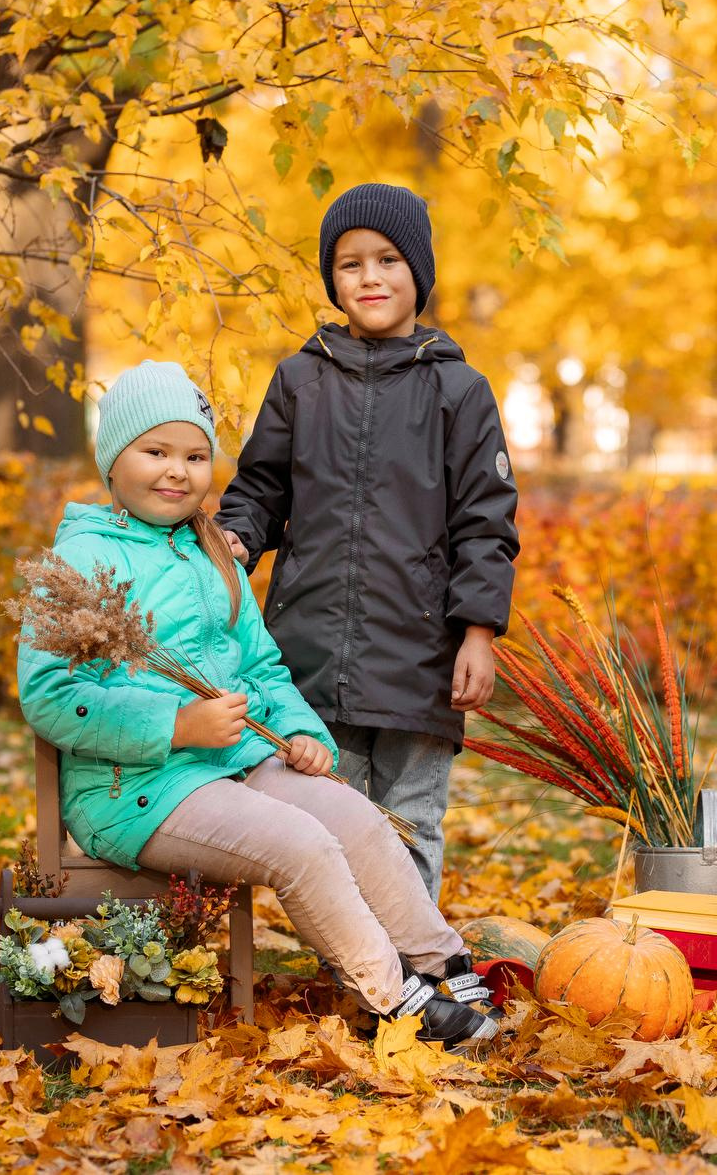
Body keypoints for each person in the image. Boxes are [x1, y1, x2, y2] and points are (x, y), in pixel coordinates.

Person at [17, 361, 501, 1048]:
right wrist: (178, 725)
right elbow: (51, 695)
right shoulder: (83, 561)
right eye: (155, 451)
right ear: (112, 459)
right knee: (302, 844)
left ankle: (442, 961)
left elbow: (261, 665)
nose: (176, 471)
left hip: (238, 763)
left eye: (194, 455)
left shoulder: (211, 551)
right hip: (136, 790)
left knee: (355, 817)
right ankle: (396, 1000)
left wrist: (301, 733)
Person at [217, 183, 519, 901]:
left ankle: (412, 969)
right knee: (331, 818)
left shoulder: (459, 390)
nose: (370, 277)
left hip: (420, 656)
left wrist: (478, 631)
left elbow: (487, 518)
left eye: (387, 259)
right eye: (350, 264)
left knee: (409, 818)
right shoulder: (299, 379)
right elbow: (260, 485)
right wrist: (235, 538)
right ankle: (355, 968)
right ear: (333, 280)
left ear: (418, 270)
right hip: (314, 651)